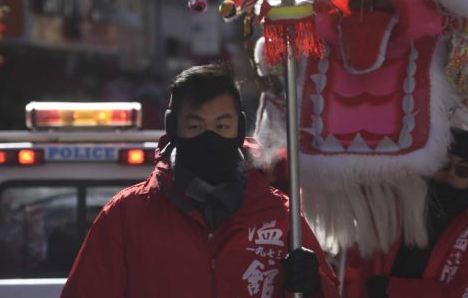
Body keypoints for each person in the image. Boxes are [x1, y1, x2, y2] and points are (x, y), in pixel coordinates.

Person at [62, 63, 339, 297]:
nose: (210, 138)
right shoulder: (126, 214)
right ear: (173, 129)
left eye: (221, 126)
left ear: (239, 128)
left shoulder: (281, 215)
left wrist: (316, 288)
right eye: (195, 126)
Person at [344, 127, 468, 298]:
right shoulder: (392, 208)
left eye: (462, 171)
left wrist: (394, 290)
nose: (451, 174)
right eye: (443, 164)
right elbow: (351, 264)